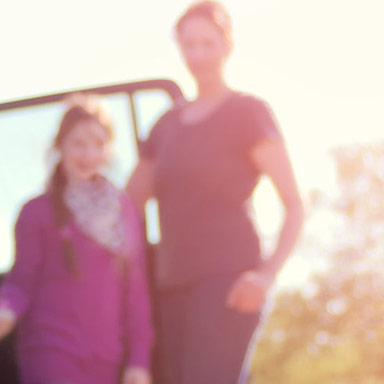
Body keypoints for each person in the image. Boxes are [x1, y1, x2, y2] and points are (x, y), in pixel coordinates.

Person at [125, 1, 307, 383]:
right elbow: (126, 205)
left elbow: (294, 205)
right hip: (171, 285)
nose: (198, 55)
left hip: (229, 281)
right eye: (189, 45)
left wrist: (265, 275)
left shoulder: (248, 113)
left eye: (208, 43)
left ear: (227, 46)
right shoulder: (166, 126)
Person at [0, 95, 154, 384]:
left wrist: (139, 360)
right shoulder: (36, 211)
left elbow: (136, 292)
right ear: (60, 146)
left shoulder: (125, 212)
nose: (88, 154)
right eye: (78, 144)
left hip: (104, 355)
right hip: (50, 349)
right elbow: (22, 277)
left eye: (99, 144)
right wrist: (7, 309)